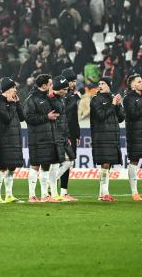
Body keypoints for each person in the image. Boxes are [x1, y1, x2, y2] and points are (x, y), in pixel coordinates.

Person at [23, 74, 61, 203]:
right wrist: (46, 117)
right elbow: (28, 118)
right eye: (50, 84)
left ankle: (45, 195)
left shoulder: (50, 98)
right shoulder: (31, 99)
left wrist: (52, 96)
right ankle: (32, 196)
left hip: (49, 137)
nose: (52, 86)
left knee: (46, 166)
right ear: (44, 85)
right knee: (35, 166)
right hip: (37, 138)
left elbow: (60, 110)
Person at [90, 77, 124, 202]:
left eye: (103, 83)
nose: (100, 85)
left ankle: (102, 194)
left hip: (112, 135)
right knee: (105, 163)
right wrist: (113, 104)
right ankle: (105, 194)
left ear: (109, 85)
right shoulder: (95, 100)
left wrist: (119, 105)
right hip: (101, 135)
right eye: (99, 83)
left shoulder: (112, 98)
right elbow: (100, 116)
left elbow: (121, 118)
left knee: (108, 164)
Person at [0, 77, 24, 203]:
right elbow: (7, 118)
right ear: (5, 90)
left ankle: (9, 195)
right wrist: (11, 104)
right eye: (12, 88)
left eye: (15, 88)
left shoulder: (13, 101)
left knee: (12, 167)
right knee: (2, 167)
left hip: (14, 139)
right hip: (3, 140)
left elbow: (22, 118)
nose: (15, 90)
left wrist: (17, 103)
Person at [49, 75, 74, 201]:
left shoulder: (60, 99)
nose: (65, 91)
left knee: (70, 160)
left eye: (66, 89)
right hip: (55, 135)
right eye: (64, 89)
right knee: (54, 164)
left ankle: (52, 182)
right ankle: (54, 193)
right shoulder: (51, 99)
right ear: (58, 88)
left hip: (63, 135)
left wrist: (67, 135)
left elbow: (64, 119)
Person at [59, 68, 81, 201]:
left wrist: (77, 134)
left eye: (74, 81)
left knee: (69, 162)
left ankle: (63, 192)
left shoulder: (71, 95)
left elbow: (74, 118)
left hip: (71, 133)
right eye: (71, 81)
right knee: (61, 162)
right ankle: (53, 189)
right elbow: (64, 112)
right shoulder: (62, 95)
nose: (73, 84)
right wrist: (75, 99)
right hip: (62, 133)